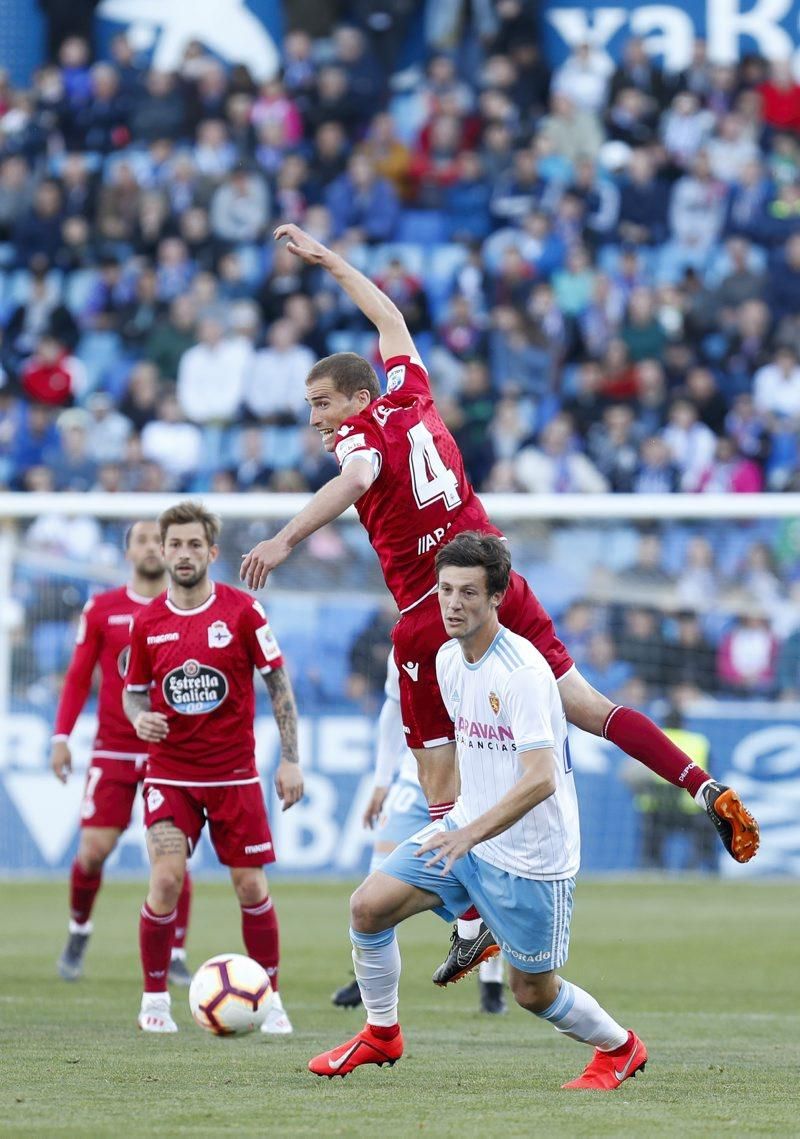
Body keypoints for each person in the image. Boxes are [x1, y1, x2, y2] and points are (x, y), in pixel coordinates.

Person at [240, 223, 759, 982]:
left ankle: (476, 919)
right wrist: (332, 262)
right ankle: (703, 785)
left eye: (322, 403)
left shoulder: (361, 439)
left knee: (440, 782)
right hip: (497, 571)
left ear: (357, 397)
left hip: (434, 606)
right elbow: (391, 320)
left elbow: (353, 480)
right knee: (590, 705)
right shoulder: (411, 392)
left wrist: (283, 539)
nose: (316, 418)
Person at [308, 533, 647, 1089]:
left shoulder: (525, 674)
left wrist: (467, 833)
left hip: (532, 859)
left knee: (531, 991)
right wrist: (451, 821)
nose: (453, 603)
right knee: (367, 908)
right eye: (445, 590)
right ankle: (381, 1032)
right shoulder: (446, 658)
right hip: (465, 836)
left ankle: (620, 1048)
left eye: (469, 592)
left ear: (497, 598)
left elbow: (539, 781)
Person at [124, 502, 304, 1034]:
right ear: (162, 550)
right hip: (169, 775)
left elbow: (278, 685)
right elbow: (133, 696)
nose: (183, 554)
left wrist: (290, 758)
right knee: (166, 879)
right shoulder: (147, 621)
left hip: (234, 776)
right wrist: (139, 720)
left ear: (211, 552)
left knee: (250, 886)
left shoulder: (243, 612)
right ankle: (154, 999)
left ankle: (269, 1000)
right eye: (174, 545)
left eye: (193, 545)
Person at [52, 521, 193, 986]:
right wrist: (61, 737)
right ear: (128, 550)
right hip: (113, 746)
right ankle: (78, 929)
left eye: (161, 541)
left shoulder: (186, 606)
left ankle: (175, 951)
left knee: (170, 855)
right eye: (144, 541)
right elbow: (77, 677)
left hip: (168, 752)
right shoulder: (103, 609)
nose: (153, 548)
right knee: (93, 851)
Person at [332, 653, 507, 1015]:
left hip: (466, 781)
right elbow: (393, 708)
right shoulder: (405, 638)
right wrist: (381, 782)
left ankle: (492, 985)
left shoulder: (479, 642)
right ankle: (367, 980)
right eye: (444, 590)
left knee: (481, 875)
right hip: (413, 780)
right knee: (377, 878)